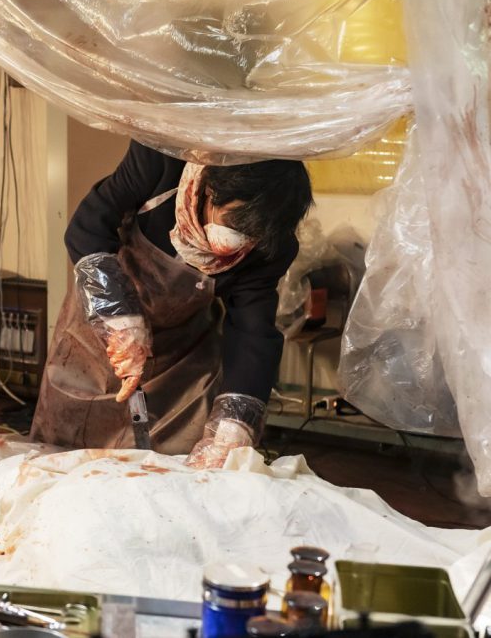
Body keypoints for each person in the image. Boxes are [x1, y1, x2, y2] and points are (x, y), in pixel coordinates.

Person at [30, 140, 313, 468]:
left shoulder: (272, 247)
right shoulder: (161, 159)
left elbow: (252, 330)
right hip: (98, 341)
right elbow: (89, 226)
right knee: (68, 455)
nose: (235, 245)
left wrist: (235, 424)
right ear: (211, 189)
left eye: (252, 236)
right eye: (234, 225)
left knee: (171, 468)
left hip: (181, 355)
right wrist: (119, 319)